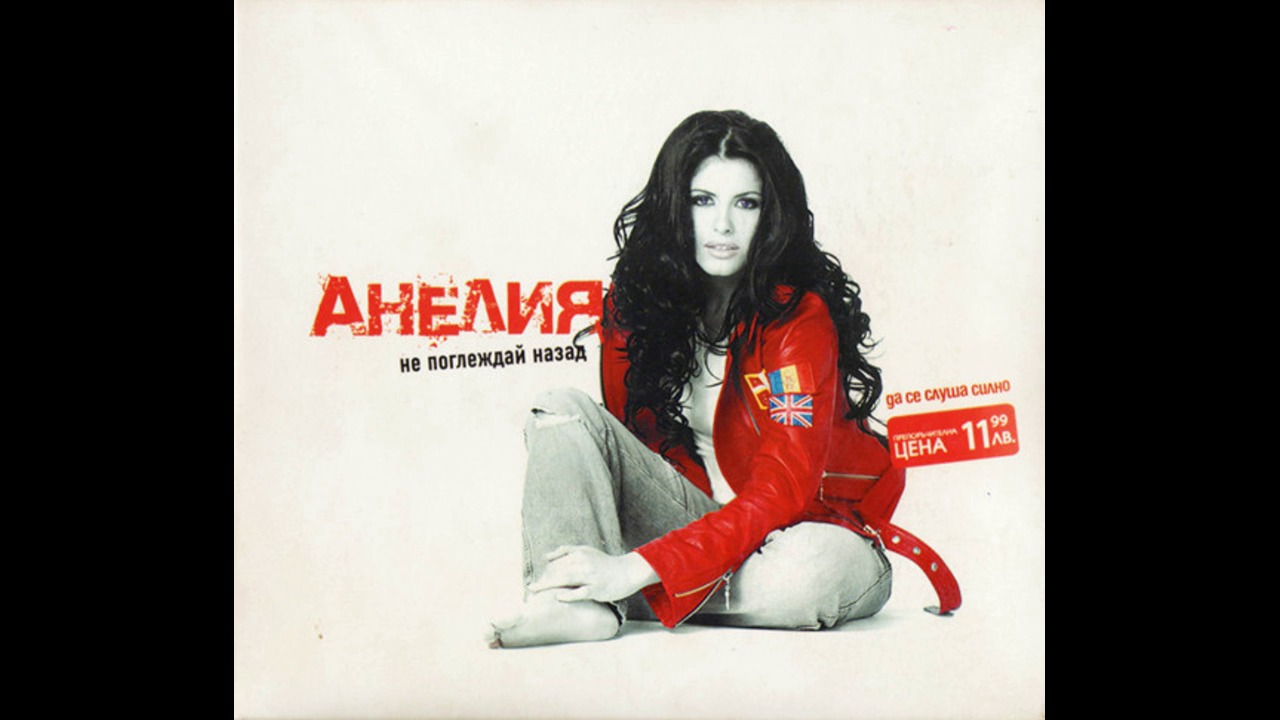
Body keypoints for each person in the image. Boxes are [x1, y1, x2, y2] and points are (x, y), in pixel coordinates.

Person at [488, 110, 952, 649]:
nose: (723, 226)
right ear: (673, 207)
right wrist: (656, 559)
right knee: (559, 407)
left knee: (807, 576)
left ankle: (628, 591)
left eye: (746, 203)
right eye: (702, 200)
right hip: (697, 528)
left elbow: (782, 490)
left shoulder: (796, 320)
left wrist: (634, 568)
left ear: (771, 216)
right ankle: (567, 605)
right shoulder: (633, 312)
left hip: (804, 532)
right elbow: (636, 459)